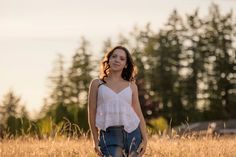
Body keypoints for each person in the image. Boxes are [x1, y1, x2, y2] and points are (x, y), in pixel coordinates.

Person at [88, 46, 148, 157]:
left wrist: (145, 139)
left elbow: (138, 113)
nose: (117, 60)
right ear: (108, 59)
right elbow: (91, 113)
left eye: (121, 58)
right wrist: (95, 140)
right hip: (109, 136)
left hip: (133, 133)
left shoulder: (131, 86)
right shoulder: (97, 84)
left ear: (126, 64)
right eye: (114, 56)